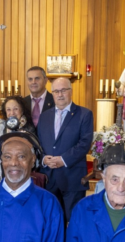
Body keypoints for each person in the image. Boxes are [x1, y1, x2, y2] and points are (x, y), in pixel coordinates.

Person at [36, 77, 94, 223]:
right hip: (48, 178)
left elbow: (84, 144)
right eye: (56, 91)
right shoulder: (44, 116)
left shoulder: (84, 114)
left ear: (71, 91)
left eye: (63, 90)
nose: (60, 94)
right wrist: (43, 159)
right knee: (51, 221)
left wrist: (63, 160)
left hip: (72, 177)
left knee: (74, 221)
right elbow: (38, 143)